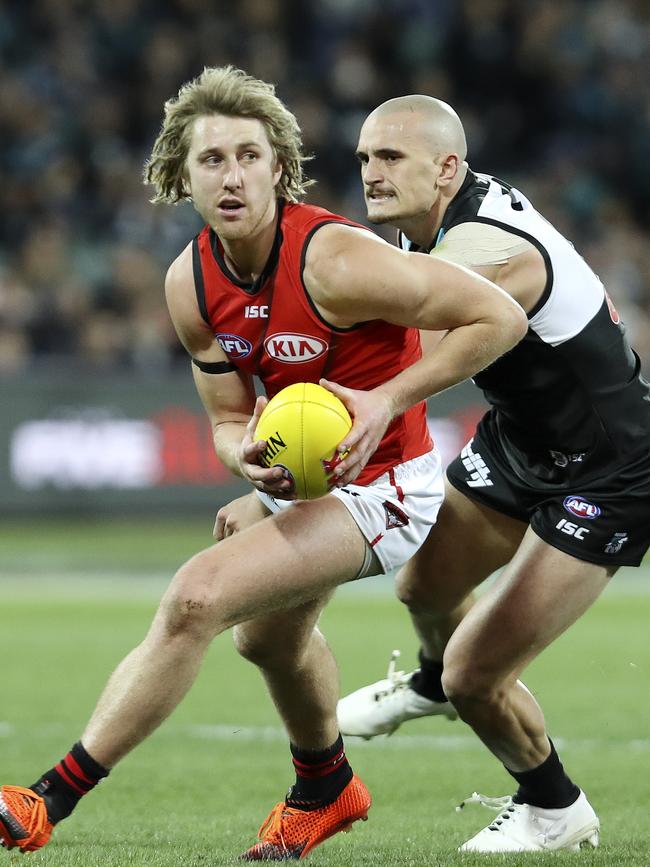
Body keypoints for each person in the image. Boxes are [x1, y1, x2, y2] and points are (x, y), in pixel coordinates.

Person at [0, 70, 526, 860]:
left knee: (195, 597)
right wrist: (245, 460)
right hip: (313, 480)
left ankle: (46, 799)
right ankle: (325, 787)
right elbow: (225, 418)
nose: (233, 175)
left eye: (250, 155)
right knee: (266, 642)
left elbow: (499, 314)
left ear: (278, 167)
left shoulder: (336, 260)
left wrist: (387, 397)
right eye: (212, 160)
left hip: (389, 482)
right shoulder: (190, 283)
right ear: (182, 176)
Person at [334, 95, 650, 852]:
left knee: (476, 673)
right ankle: (428, 681)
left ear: (447, 167)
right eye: (365, 159)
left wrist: (374, 399)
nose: (371, 174)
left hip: (612, 467)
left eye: (390, 158)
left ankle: (554, 806)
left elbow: (421, 328)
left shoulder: (486, 245)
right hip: (523, 439)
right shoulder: (432, 225)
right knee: (422, 587)